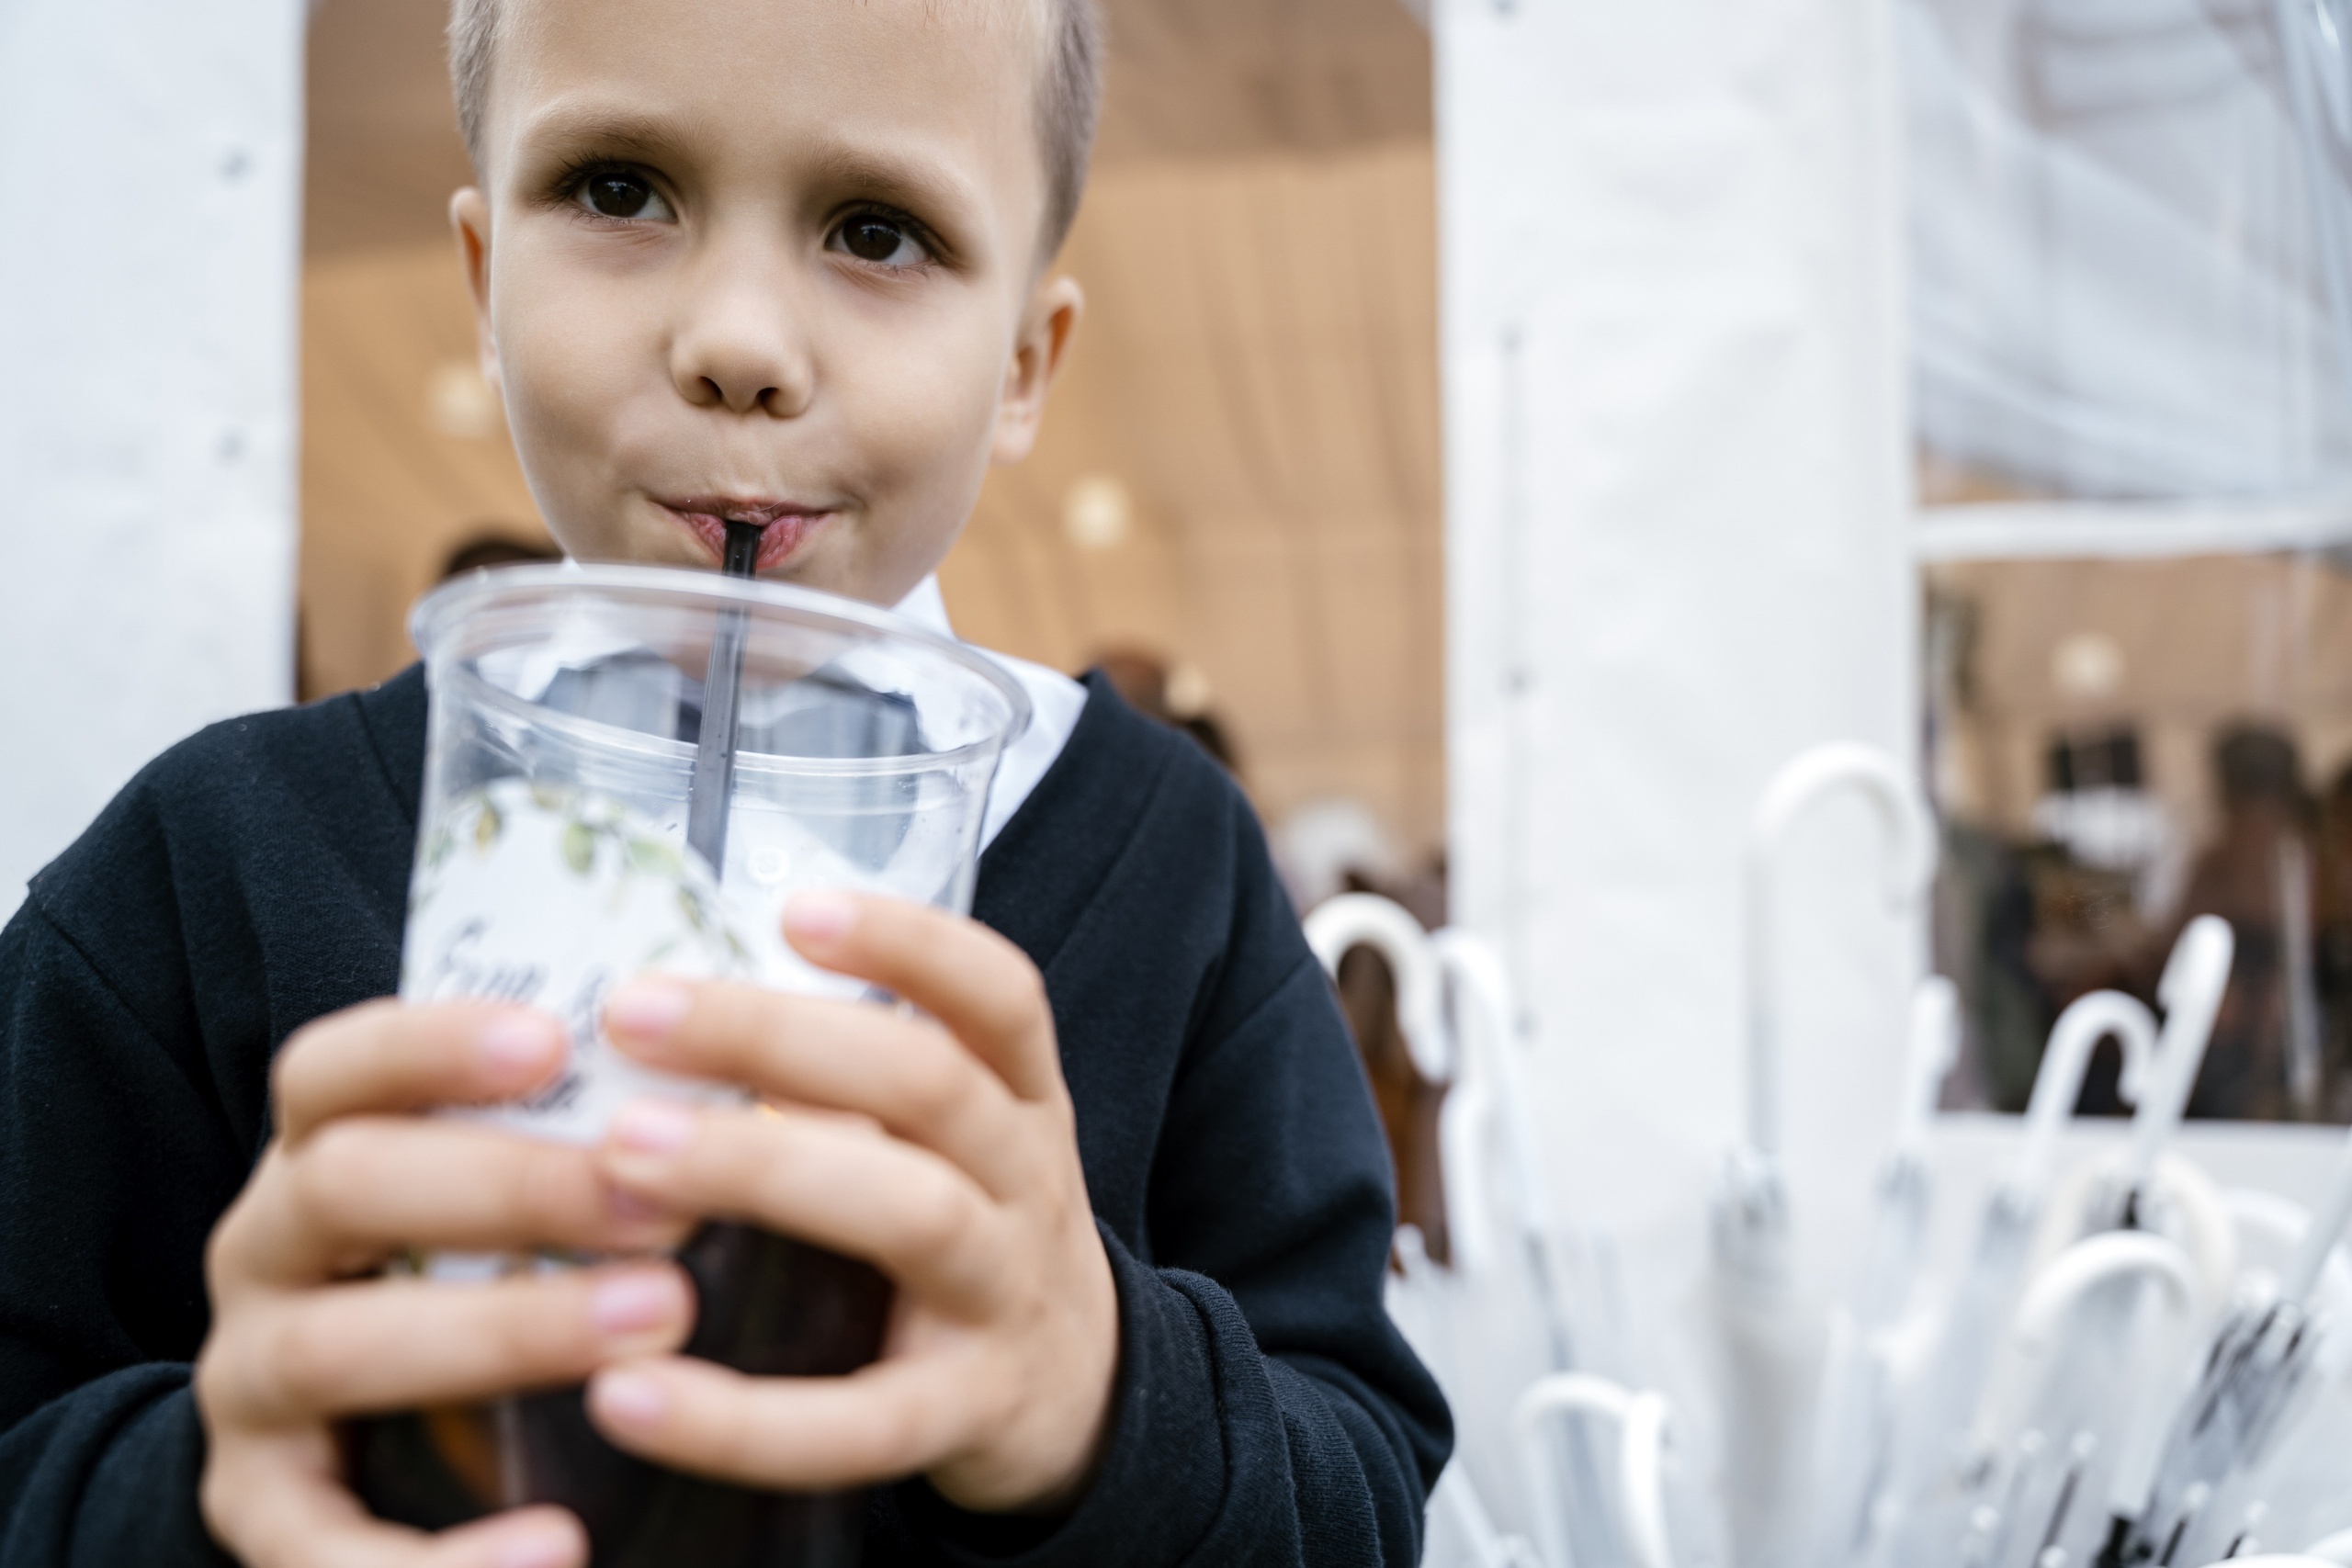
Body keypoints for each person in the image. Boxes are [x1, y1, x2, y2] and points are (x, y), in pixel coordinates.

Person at [0, 1, 1450, 1564]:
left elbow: (1365, 1470)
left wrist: (1104, 1391)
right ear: (488, 286)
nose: (740, 345)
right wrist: (209, 1488)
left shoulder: (1177, 867)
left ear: (1025, 361)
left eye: (877, 229)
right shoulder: (214, 860)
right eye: (620, 188)